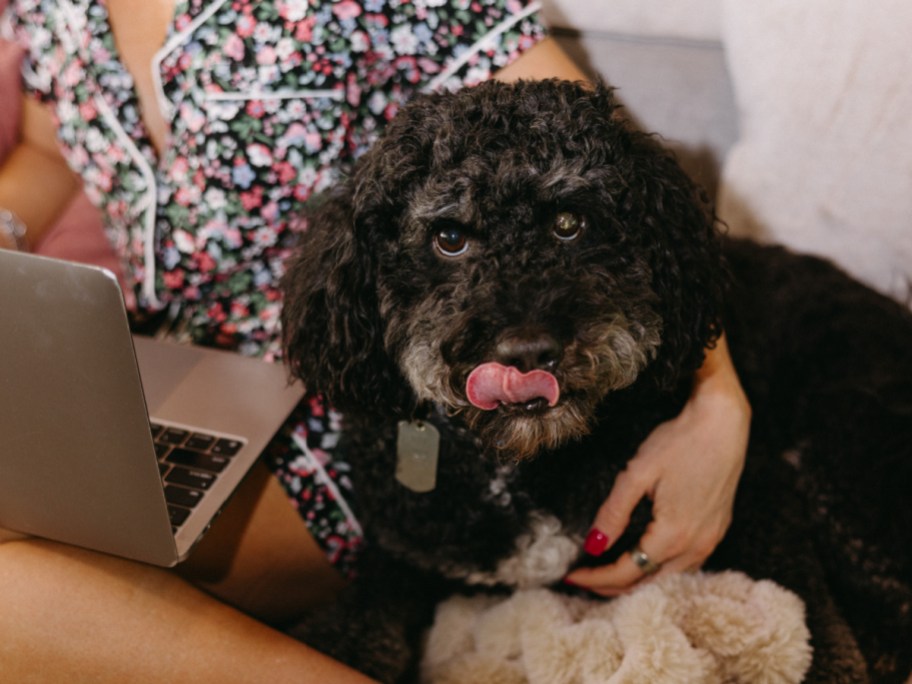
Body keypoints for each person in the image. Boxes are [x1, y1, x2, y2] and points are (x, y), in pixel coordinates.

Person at [0, 0, 750, 678]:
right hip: (144, 368)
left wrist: (717, 396)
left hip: (344, 407)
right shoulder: (52, 7)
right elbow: (42, 150)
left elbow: (612, 176)